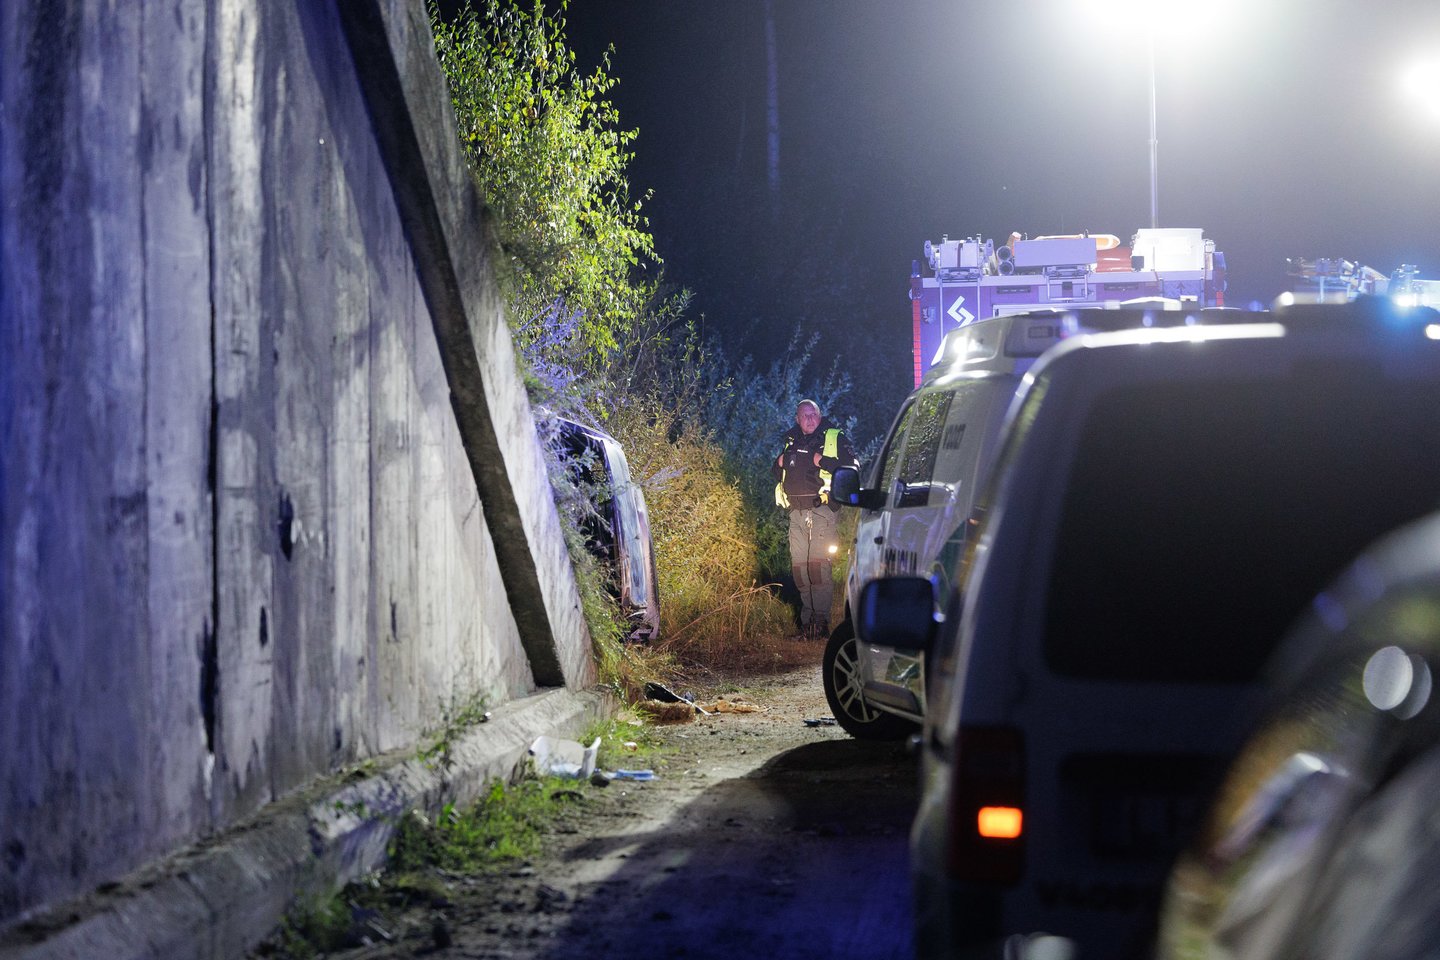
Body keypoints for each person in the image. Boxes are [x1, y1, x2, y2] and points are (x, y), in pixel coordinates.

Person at [772, 399, 858, 639]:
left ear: (820, 416)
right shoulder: (791, 440)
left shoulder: (834, 437)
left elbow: (851, 468)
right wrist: (778, 462)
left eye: (814, 414)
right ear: (797, 419)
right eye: (805, 415)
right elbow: (778, 471)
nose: (810, 419)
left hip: (822, 511)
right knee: (800, 570)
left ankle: (820, 623)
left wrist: (820, 460)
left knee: (817, 568)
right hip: (796, 513)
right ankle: (807, 624)